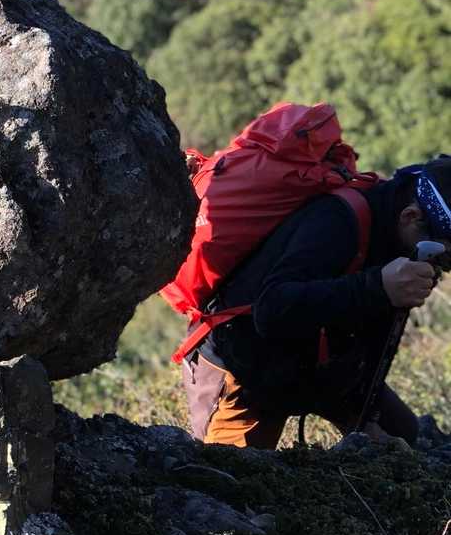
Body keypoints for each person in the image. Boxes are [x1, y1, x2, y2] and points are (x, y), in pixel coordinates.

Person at [183, 157, 451, 448]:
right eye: (446, 255)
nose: (442, 266)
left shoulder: (400, 234)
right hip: (246, 365)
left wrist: (365, 417)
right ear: (410, 217)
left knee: (401, 436)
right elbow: (271, 310)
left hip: (321, 362)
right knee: (233, 471)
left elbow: (379, 331)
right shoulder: (337, 220)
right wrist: (377, 286)